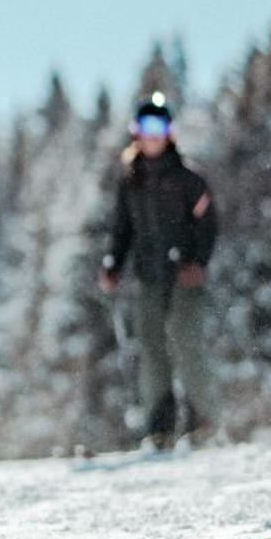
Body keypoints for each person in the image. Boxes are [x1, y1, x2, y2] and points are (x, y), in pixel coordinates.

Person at [99, 93, 221, 449]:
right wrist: (113, 265)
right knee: (152, 348)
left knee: (187, 342)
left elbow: (209, 226)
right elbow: (121, 230)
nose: (153, 135)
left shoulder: (189, 179)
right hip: (148, 276)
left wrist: (197, 261)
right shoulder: (130, 182)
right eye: (146, 127)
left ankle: (205, 422)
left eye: (160, 127)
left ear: (170, 133)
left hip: (184, 276)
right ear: (136, 133)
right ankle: (160, 428)